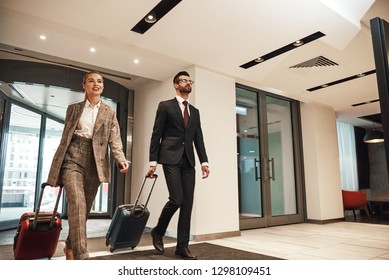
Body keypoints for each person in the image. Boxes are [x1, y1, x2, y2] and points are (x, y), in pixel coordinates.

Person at [47, 70, 129, 260]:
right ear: (84, 85)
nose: (96, 84)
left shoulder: (109, 112)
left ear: (103, 86)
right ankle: (81, 255)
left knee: (84, 209)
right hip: (73, 157)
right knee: (77, 204)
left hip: (96, 161)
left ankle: (69, 245)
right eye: (91, 81)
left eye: (99, 81)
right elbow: (65, 137)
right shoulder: (74, 108)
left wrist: (120, 158)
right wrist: (57, 166)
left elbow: (114, 139)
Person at [147, 71, 210, 260]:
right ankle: (158, 230)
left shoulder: (195, 111)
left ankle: (182, 247)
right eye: (183, 81)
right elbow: (156, 134)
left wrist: (204, 161)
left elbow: (198, 138)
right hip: (169, 157)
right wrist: (153, 162)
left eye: (189, 81)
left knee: (187, 204)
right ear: (175, 85)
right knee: (177, 199)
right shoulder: (165, 106)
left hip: (188, 161)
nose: (187, 83)